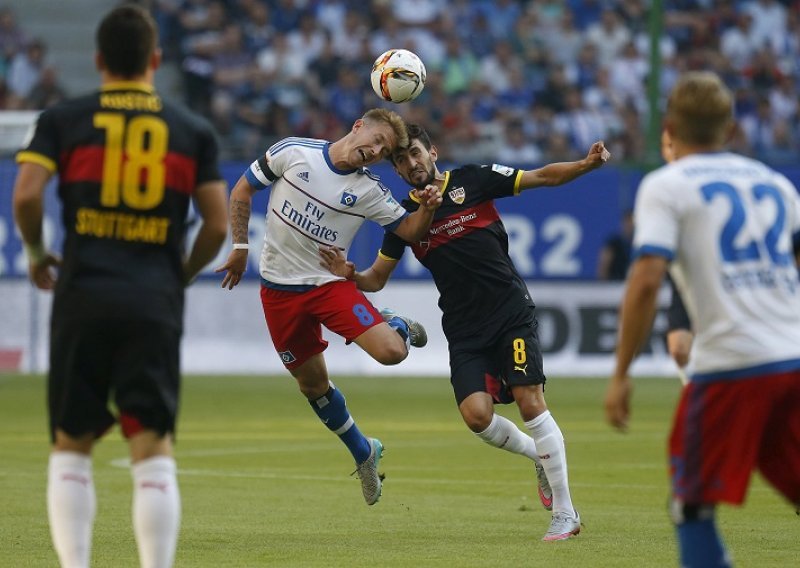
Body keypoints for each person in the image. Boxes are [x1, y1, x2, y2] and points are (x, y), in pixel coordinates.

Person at [319, 122, 610, 540]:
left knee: (530, 402)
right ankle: (538, 458)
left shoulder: (472, 179)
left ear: (432, 152)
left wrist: (585, 164)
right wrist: (350, 275)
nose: (411, 162)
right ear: (397, 171)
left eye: (415, 153)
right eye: (401, 160)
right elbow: (376, 278)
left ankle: (566, 513)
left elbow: (542, 177)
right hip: (464, 327)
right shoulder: (402, 217)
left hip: (510, 312)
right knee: (477, 417)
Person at [12, 5, 228, 567]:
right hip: (152, 298)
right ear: (156, 60)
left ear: (99, 60)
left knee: (72, 444)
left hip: (82, 292)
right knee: (152, 448)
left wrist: (37, 253)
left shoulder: (64, 119)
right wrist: (176, 274)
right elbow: (218, 225)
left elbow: (28, 194)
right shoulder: (191, 130)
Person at [604, 72, 800, 568]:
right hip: (793, 358)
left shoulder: (667, 185)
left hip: (731, 367)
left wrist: (622, 374)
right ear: (730, 128)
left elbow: (647, 279)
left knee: (691, 504)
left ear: (668, 129)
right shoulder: (775, 184)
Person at [215, 109, 442, 506]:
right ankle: (363, 450)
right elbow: (242, 190)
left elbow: (409, 231)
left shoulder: (369, 190)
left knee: (391, 352)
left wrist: (429, 207)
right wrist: (239, 248)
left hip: (328, 287)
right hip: (278, 292)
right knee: (312, 386)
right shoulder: (293, 152)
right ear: (357, 126)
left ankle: (395, 325)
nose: (374, 150)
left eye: (383, 150)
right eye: (374, 139)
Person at [596, 208, 633, 280]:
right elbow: (603, 266)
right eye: (627, 222)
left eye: (631, 222)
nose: (630, 226)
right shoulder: (613, 244)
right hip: (614, 285)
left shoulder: (642, 244)